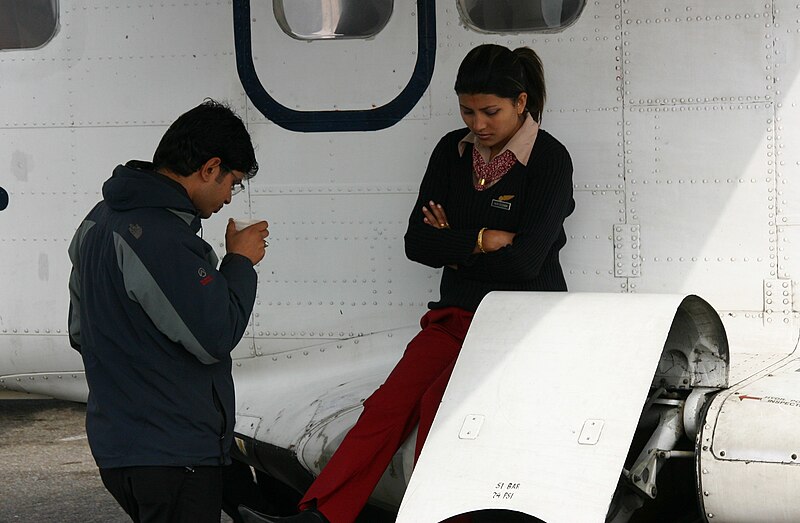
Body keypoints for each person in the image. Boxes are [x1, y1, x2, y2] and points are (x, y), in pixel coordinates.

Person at [240, 43, 574, 523]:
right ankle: (320, 516)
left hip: (517, 324)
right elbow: (417, 244)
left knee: (442, 405)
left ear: (522, 103)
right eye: (467, 111)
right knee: (385, 406)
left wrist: (454, 245)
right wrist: (482, 240)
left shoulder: (549, 161)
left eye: (490, 112)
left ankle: (432, 516)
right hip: (455, 316)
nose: (477, 124)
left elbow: (524, 265)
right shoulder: (450, 151)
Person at [67, 99, 268, 523]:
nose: (230, 198)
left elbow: (80, 332)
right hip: (172, 454)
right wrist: (240, 262)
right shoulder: (161, 236)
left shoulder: (98, 221)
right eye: (233, 182)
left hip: (121, 447)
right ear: (210, 168)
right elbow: (215, 335)